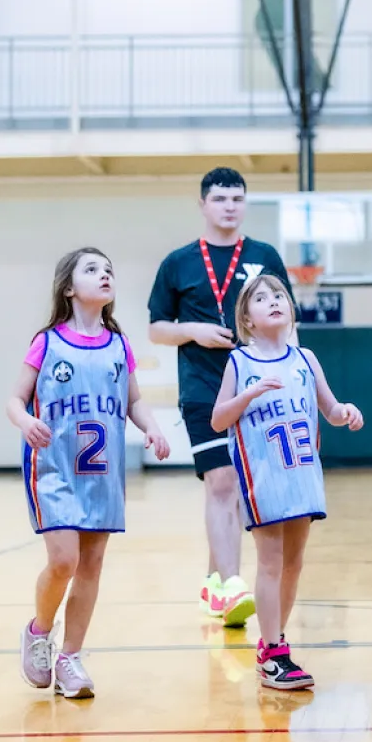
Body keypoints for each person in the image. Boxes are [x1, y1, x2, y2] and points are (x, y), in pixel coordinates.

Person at [8, 247, 171, 698]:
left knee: (91, 567)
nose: (105, 275)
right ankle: (39, 632)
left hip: (102, 471)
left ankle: (70, 658)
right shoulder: (48, 341)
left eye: (109, 270)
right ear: (68, 287)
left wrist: (152, 427)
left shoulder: (119, 344)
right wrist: (25, 421)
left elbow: (134, 400)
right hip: (55, 467)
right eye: (92, 269)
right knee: (64, 561)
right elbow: (14, 400)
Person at [148, 167, 293, 627]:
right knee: (223, 484)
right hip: (204, 388)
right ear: (203, 204)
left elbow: (287, 316)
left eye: (237, 198)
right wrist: (192, 331)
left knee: (238, 492)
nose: (229, 206)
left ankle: (214, 581)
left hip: (258, 385)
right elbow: (156, 328)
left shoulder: (265, 255)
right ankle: (232, 587)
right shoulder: (178, 262)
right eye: (220, 198)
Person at [211, 274, 364, 690]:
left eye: (279, 295)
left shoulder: (305, 359)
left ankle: (271, 646)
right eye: (261, 298)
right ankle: (275, 652)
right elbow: (218, 418)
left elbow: (329, 409)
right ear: (247, 317)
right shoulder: (240, 363)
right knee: (271, 561)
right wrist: (248, 396)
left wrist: (346, 412)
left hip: (303, 475)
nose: (274, 301)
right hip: (264, 478)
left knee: (294, 565)